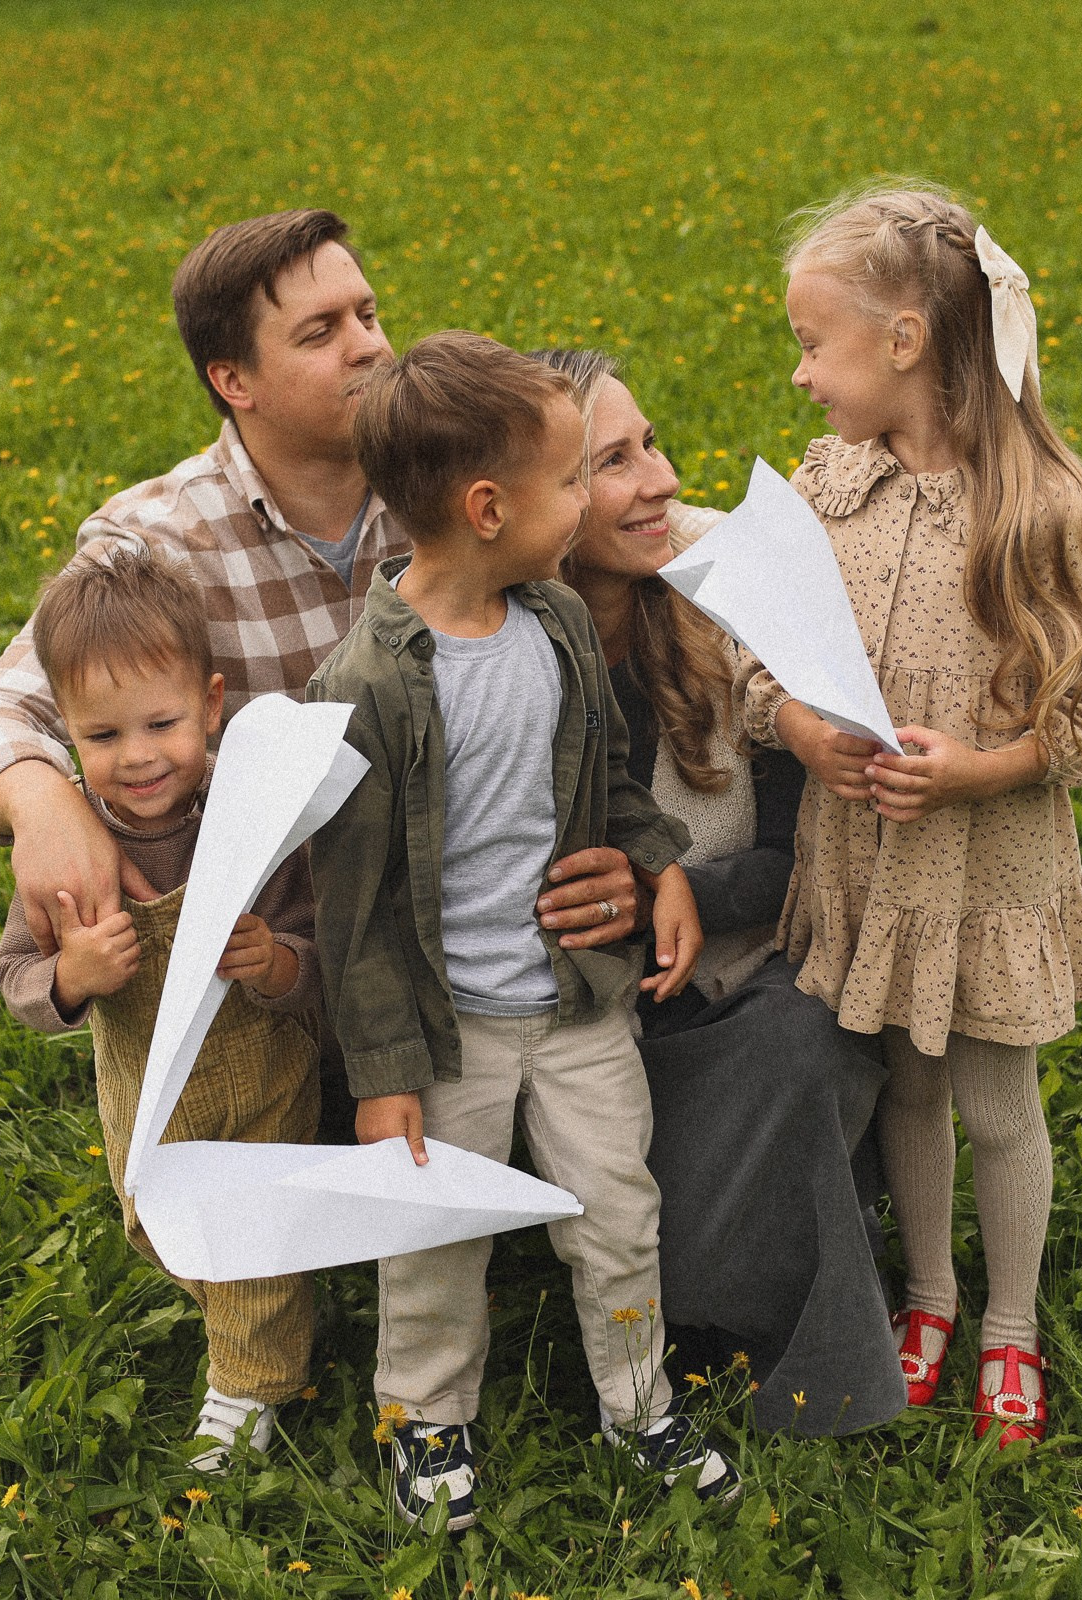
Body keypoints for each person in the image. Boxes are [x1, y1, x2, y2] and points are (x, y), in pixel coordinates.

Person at [0, 212, 647, 1086]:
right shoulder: (161, 538)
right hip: (278, 997)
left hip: (496, 957)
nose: (369, 347)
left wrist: (644, 859)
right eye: (320, 332)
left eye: (368, 316)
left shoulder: (455, 486)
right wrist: (40, 802)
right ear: (234, 380)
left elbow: (660, 524)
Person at [305, 332, 733, 1529]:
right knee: (437, 1239)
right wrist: (385, 1073)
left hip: (577, 1004)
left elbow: (604, 781)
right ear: (488, 508)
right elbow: (358, 906)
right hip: (450, 1036)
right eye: (569, 483)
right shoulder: (372, 683)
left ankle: (640, 1403)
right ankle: (425, 1417)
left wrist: (658, 863)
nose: (590, 502)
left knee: (619, 1210)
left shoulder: (551, 619)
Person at [752, 181, 1082, 1446]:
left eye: (817, 344)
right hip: (871, 856)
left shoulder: (1038, 509)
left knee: (994, 1101)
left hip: (984, 865)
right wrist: (798, 729)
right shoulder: (826, 490)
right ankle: (926, 1297)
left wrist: (979, 769)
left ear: (906, 341)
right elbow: (755, 665)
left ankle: (1011, 1322)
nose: (804, 375)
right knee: (906, 1096)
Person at [536, 345, 907, 1437]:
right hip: (568, 1016)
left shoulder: (730, 582)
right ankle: (680, 1286)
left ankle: (783, 1345)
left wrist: (682, 888)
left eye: (651, 444)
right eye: (614, 461)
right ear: (539, 502)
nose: (656, 478)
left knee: (802, 1038)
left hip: (739, 978)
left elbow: (807, 846)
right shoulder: (486, 639)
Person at [0, 545, 321, 1473]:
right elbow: (19, 976)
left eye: (163, 724)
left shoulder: (252, 819)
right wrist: (75, 974)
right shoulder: (74, 850)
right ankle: (248, 1310)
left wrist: (276, 959)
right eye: (101, 738)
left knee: (251, 1232)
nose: (137, 758)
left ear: (212, 706)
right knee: (166, 1224)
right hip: (145, 1092)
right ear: (66, 734)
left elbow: (322, 948)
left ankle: (250, 1386)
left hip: (262, 1074)